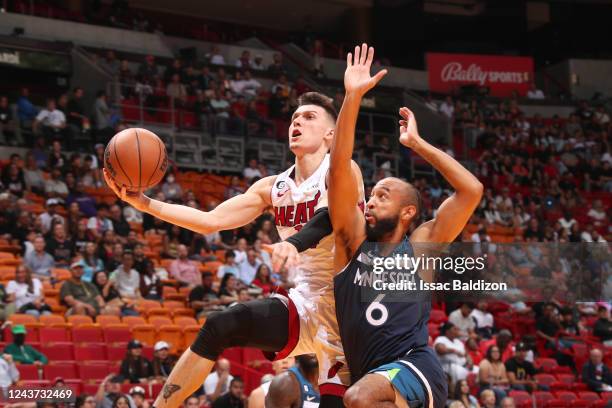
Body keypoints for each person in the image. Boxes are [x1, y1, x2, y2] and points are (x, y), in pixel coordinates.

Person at [104, 90, 365, 407]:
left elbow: (329, 219)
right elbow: (210, 221)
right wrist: (144, 204)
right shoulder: (273, 187)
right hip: (305, 302)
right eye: (295, 118)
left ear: (330, 133)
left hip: (348, 307)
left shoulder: (342, 171)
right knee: (219, 324)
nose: (297, 122)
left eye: (309, 117)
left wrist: (293, 244)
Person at [330, 44, 481, 408]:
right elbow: (337, 170)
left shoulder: (419, 248)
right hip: (371, 374)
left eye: (383, 195)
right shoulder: (350, 243)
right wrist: (351, 98)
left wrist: (417, 143)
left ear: (409, 212)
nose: (371, 200)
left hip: (413, 365)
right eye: (372, 194)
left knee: (358, 398)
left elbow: (471, 190)